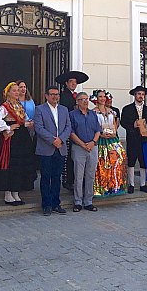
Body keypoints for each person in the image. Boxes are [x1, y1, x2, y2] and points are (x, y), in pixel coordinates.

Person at [0, 82, 37, 205]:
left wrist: (28, 123)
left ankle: (16, 191)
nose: (17, 92)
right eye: (14, 90)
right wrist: (8, 128)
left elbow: (24, 120)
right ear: (8, 93)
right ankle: (8, 193)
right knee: (11, 165)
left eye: (18, 90)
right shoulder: (5, 106)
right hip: (12, 139)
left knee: (20, 165)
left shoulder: (19, 106)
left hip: (22, 138)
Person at [33, 85, 72, 216]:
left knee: (57, 177)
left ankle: (56, 203)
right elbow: (39, 127)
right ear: (46, 96)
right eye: (52, 94)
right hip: (46, 148)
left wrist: (61, 139)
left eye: (57, 94)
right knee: (45, 177)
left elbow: (68, 127)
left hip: (60, 148)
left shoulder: (64, 109)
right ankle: (46, 205)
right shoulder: (39, 109)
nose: (55, 97)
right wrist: (52, 140)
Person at [56, 70, 89, 191]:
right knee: (68, 156)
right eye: (71, 82)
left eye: (75, 82)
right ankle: (67, 180)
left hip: (76, 127)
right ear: (66, 83)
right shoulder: (64, 95)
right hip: (68, 127)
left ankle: (72, 179)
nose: (74, 84)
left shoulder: (76, 95)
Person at [91, 89, 127, 197]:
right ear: (96, 99)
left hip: (112, 139)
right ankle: (102, 187)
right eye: (100, 97)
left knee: (117, 160)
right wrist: (101, 135)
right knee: (102, 162)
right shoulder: (93, 112)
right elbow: (92, 127)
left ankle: (114, 186)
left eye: (103, 97)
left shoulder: (112, 111)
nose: (102, 99)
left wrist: (114, 132)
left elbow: (115, 124)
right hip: (100, 139)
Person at [69, 92, 101, 212]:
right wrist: (82, 144)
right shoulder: (72, 115)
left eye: (86, 99)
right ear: (77, 102)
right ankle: (78, 201)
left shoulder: (93, 114)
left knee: (90, 175)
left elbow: (98, 130)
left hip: (92, 147)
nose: (85, 101)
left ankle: (88, 201)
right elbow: (71, 132)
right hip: (79, 148)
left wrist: (93, 142)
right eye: (82, 99)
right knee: (78, 175)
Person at [120, 86, 147, 194]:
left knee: (143, 161)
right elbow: (123, 122)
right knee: (131, 161)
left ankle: (143, 184)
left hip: (144, 139)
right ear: (135, 95)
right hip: (132, 138)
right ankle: (131, 184)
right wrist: (132, 125)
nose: (141, 96)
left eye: (142, 94)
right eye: (139, 94)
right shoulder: (127, 109)